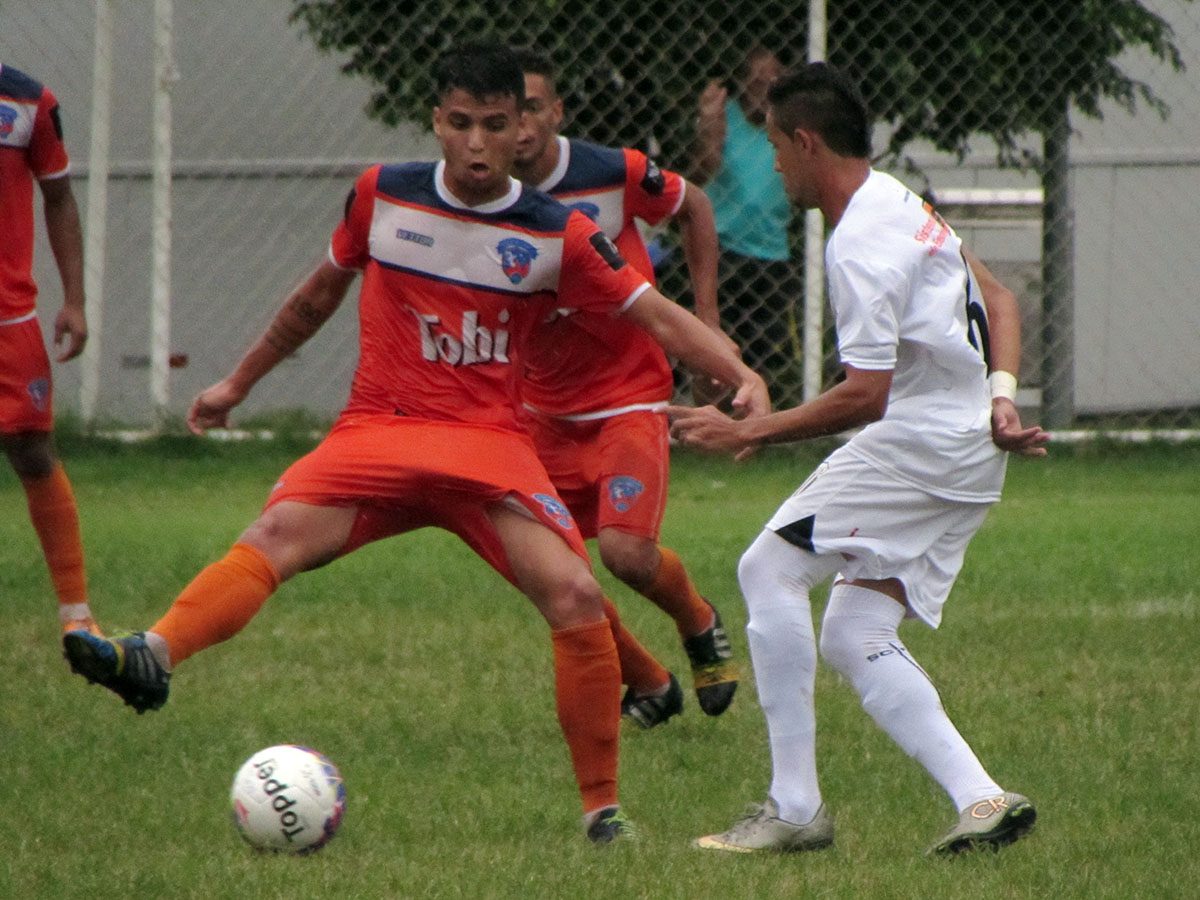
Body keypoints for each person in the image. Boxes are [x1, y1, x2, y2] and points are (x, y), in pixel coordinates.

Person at [62, 43, 768, 845]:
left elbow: (656, 315)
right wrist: (237, 384)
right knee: (273, 536)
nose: (475, 144)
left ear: (523, 128)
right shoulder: (381, 196)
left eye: (494, 126)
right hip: (379, 433)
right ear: (435, 121)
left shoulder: (558, 232)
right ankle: (152, 654)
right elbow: (314, 298)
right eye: (459, 124)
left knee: (575, 594)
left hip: (489, 449)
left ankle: (601, 812)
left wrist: (745, 375)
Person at [669, 62, 1049, 855]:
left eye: (775, 145)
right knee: (855, 629)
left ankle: (794, 806)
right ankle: (982, 800)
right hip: (971, 446)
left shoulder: (860, 245)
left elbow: (864, 396)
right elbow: (1001, 301)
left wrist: (746, 433)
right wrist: (1004, 394)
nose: (771, 163)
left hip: (923, 445)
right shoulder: (904, 204)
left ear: (806, 143)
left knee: (766, 570)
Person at [510, 49, 740, 728]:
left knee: (625, 554)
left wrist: (705, 319)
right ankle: (648, 681)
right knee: (551, 577)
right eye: (505, 113)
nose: (518, 126)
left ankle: (697, 620)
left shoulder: (613, 173)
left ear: (557, 112)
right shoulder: (484, 196)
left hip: (630, 394)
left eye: (532, 108)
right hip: (541, 411)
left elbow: (693, 205)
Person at [0, 63, 100, 638]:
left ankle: (76, 614)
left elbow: (59, 199)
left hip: (10, 315)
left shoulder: (30, 101)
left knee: (33, 451)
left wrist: (75, 300)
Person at [692, 46, 798, 401]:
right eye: (756, 82)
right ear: (742, 84)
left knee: (764, 348)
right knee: (716, 342)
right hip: (725, 249)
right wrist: (710, 130)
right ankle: (709, 411)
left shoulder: (787, 126)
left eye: (773, 82)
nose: (764, 90)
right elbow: (703, 170)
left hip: (771, 252)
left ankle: (754, 419)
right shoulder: (726, 117)